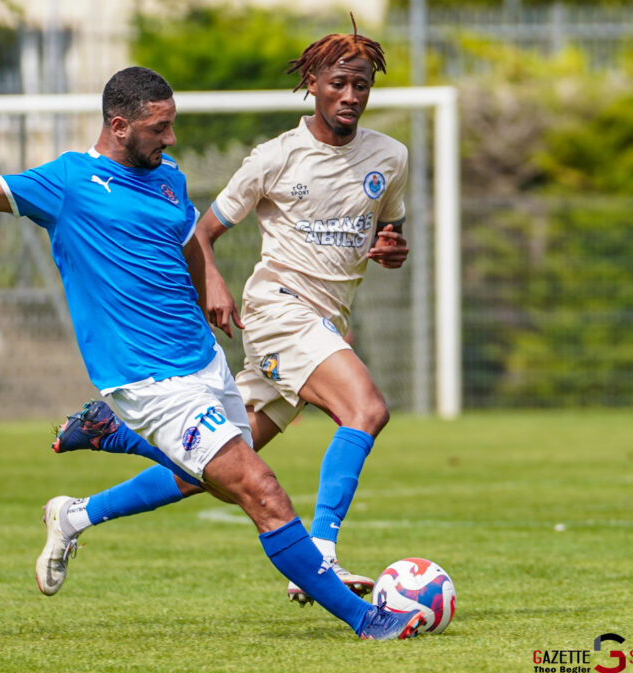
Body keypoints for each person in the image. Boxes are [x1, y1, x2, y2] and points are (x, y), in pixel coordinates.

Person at [0, 65, 424, 641]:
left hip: (203, 361)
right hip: (148, 380)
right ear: (119, 126)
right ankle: (368, 622)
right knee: (262, 490)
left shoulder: (169, 179)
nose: (170, 139)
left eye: (172, 125)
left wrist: (211, 281)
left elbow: (190, 241)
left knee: (213, 480)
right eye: (159, 128)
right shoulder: (69, 183)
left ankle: (105, 445)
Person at [40, 20, 411, 608]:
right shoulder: (275, 157)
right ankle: (323, 552)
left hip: (326, 321)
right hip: (279, 310)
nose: (350, 96)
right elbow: (202, 231)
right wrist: (211, 281)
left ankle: (79, 510)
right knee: (365, 410)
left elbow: (390, 227)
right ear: (313, 85)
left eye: (361, 85)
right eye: (338, 83)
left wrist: (392, 246)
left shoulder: (390, 157)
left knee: (217, 467)